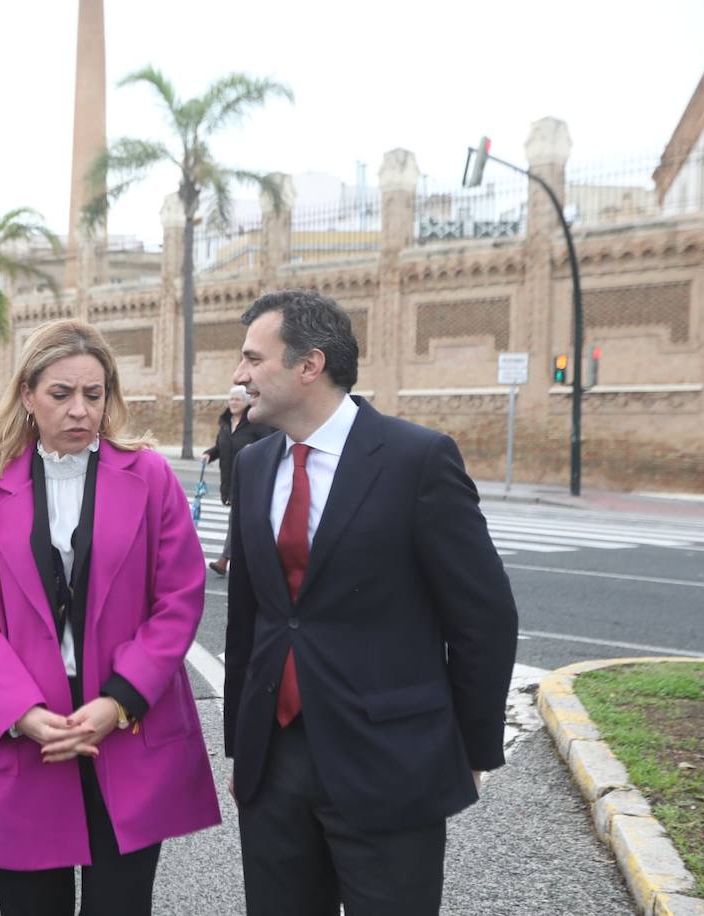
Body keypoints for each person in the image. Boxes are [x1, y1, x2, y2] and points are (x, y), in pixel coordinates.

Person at [223, 290, 519, 915]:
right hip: (275, 763)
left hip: (391, 762)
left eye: (253, 357)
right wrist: (242, 748)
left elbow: (483, 617)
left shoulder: (418, 459)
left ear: (309, 365)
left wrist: (470, 751)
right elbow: (249, 617)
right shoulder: (252, 465)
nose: (239, 374)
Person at [0, 319, 220, 916]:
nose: (80, 410)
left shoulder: (150, 478)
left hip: (124, 726)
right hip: (30, 735)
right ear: (27, 397)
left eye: (92, 395)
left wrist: (118, 700)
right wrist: (21, 711)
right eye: (61, 394)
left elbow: (179, 599)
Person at [203, 384, 273, 576]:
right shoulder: (225, 423)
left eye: (238, 399)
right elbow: (220, 446)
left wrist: (255, 448)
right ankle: (255, 560)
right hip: (230, 481)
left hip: (252, 481)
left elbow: (270, 444)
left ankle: (224, 560)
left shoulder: (256, 423)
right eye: (231, 399)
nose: (233, 402)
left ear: (247, 402)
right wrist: (210, 453)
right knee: (243, 521)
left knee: (235, 518)